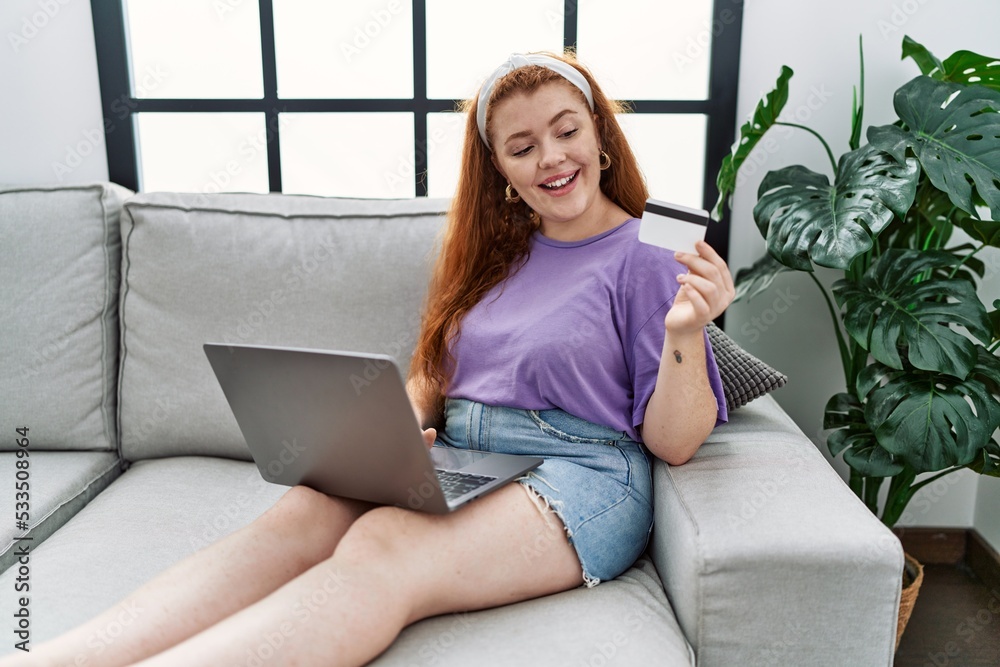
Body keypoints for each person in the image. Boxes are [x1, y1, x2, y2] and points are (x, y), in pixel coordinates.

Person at [5, 51, 733, 667]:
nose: (551, 159)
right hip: (465, 453)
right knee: (305, 509)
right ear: (500, 171)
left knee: (384, 541)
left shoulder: (650, 253)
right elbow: (436, 374)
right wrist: (392, 428)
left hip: (584, 473)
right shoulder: (494, 255)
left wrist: (686, 330)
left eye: (566, 131)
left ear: (599, 134)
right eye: (522, 147)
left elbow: (672, 440)